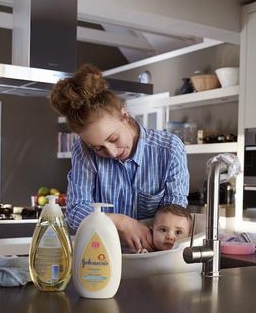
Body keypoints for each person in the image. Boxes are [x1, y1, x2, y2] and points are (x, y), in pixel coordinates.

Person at [50, 64, 189, 252]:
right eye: (98, 148)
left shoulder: (170, 149)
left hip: (156, 260)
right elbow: (75, 213)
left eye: (113, 139)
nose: (112, 153)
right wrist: (120, 222)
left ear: (125, 116)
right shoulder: (83, 150)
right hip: (99, 258)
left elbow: (176, 218)